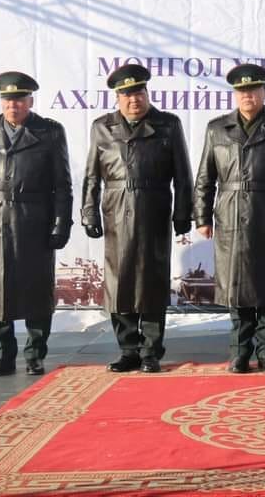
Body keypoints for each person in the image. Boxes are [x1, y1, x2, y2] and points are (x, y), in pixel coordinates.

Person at [194, 64, 265, 373]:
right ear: (235, 94)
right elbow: (205, 177)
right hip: (230, 215)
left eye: (254, 90)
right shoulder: (217, 128)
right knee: (237, 289)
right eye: (242, 91)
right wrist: (202, 216)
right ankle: (239, 353)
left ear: (264, 92)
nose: (248, 96)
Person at [81, 64, 193, 374]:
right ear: (118, 97)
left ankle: (151, 351)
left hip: (153, 210)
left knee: (152, 283)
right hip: (116, 211)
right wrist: (89, 212)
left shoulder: (167, 124)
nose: (134, 100)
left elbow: (183, 174)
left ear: (147, 93)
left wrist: (183, 213)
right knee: (120, 283)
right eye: (127, 95)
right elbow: (92, 176)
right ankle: (128, 350)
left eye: (139, 93)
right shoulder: (102, 127)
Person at [0, 72, 72, 377]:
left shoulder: (49, 131)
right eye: (8, 100)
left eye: (20, 100)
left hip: (34, 220)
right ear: (1, 102)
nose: (13, 105)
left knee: (36, 290)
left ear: (30, 101)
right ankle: (4, 356)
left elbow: (62, 184)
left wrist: (61, 224)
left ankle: (35, 355)